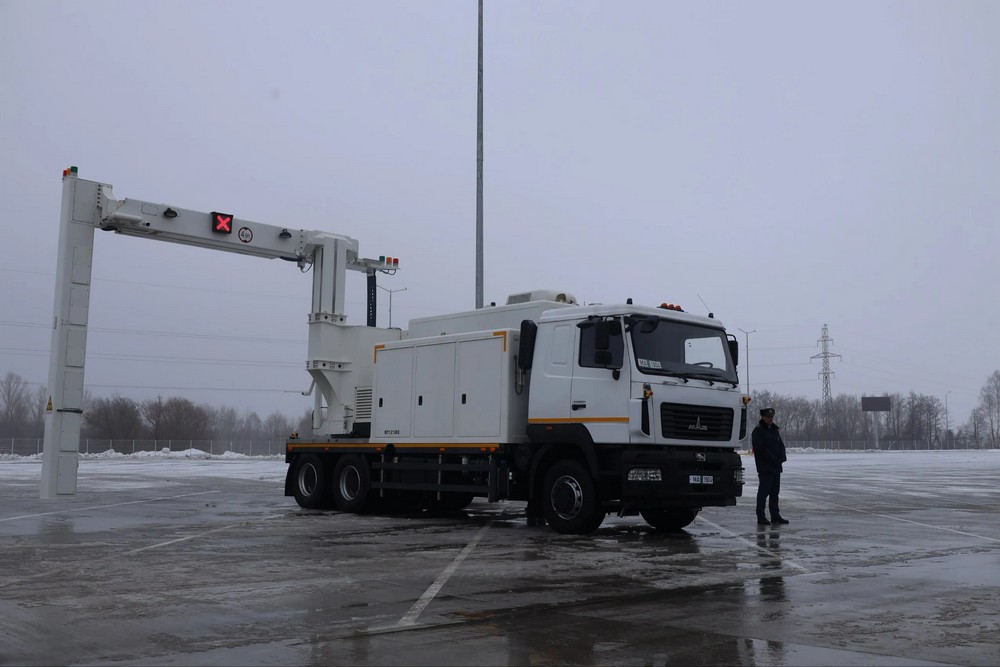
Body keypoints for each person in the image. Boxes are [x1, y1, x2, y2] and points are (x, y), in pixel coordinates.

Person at [752, 407, 788, 525]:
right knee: (763, 493)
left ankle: (775, 515)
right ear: (763, 417)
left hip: (776, 467)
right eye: (768, 417)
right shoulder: (758, 431)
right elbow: (761, 449)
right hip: (765, 467)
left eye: (771, 417)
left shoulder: (774, 430)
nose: (770, 419)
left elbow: (780, 445)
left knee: (774, 493)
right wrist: (774, 459)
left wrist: (782, 458)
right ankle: (761, 516)